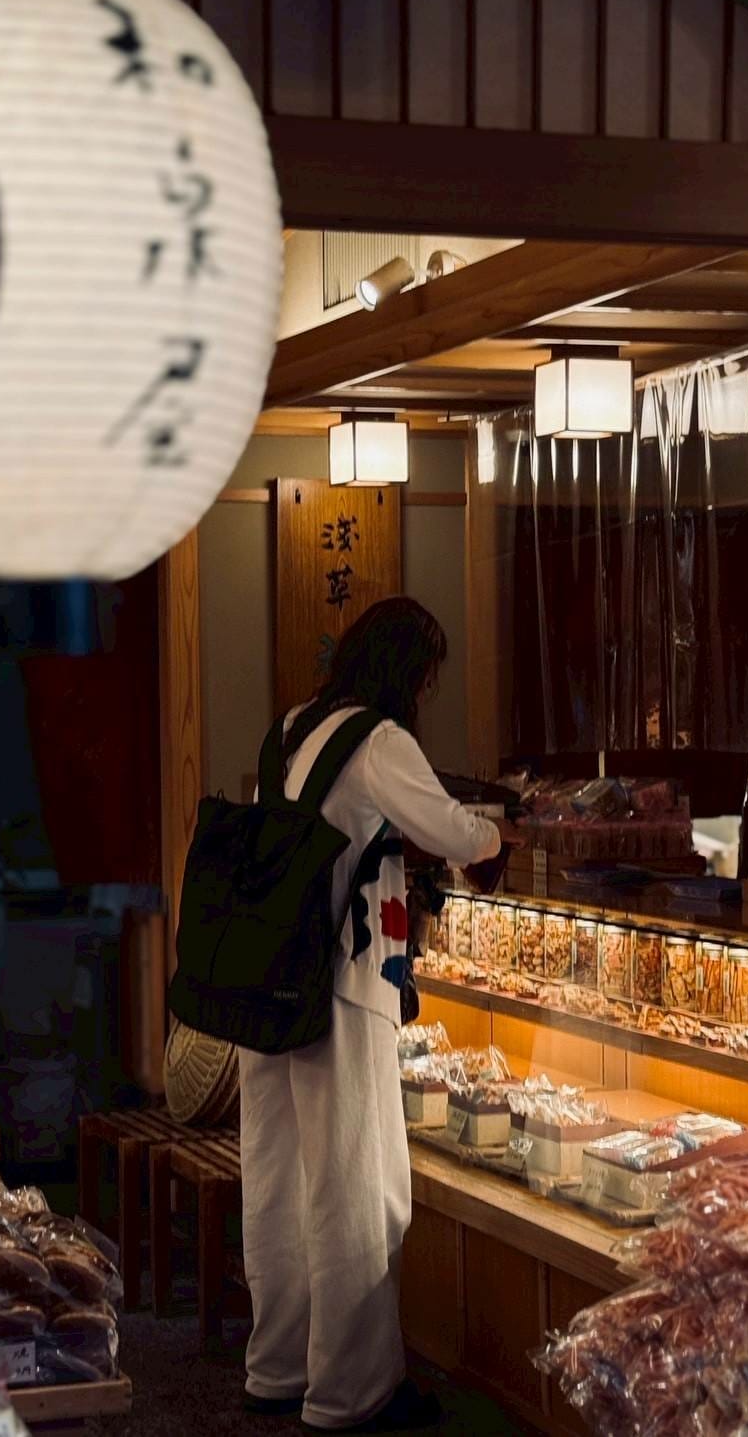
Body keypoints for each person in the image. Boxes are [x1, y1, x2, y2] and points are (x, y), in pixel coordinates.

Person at [239, 597, 523, 1433]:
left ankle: (277, 1365)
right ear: (410, 672)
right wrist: (499, 837)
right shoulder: (378, 739)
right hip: (341, 981)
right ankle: (350, 1391)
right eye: (428, 676)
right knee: (356, 1187)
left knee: (279, 1180)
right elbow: (454, 831)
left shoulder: (290, 730)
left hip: (263, 977)